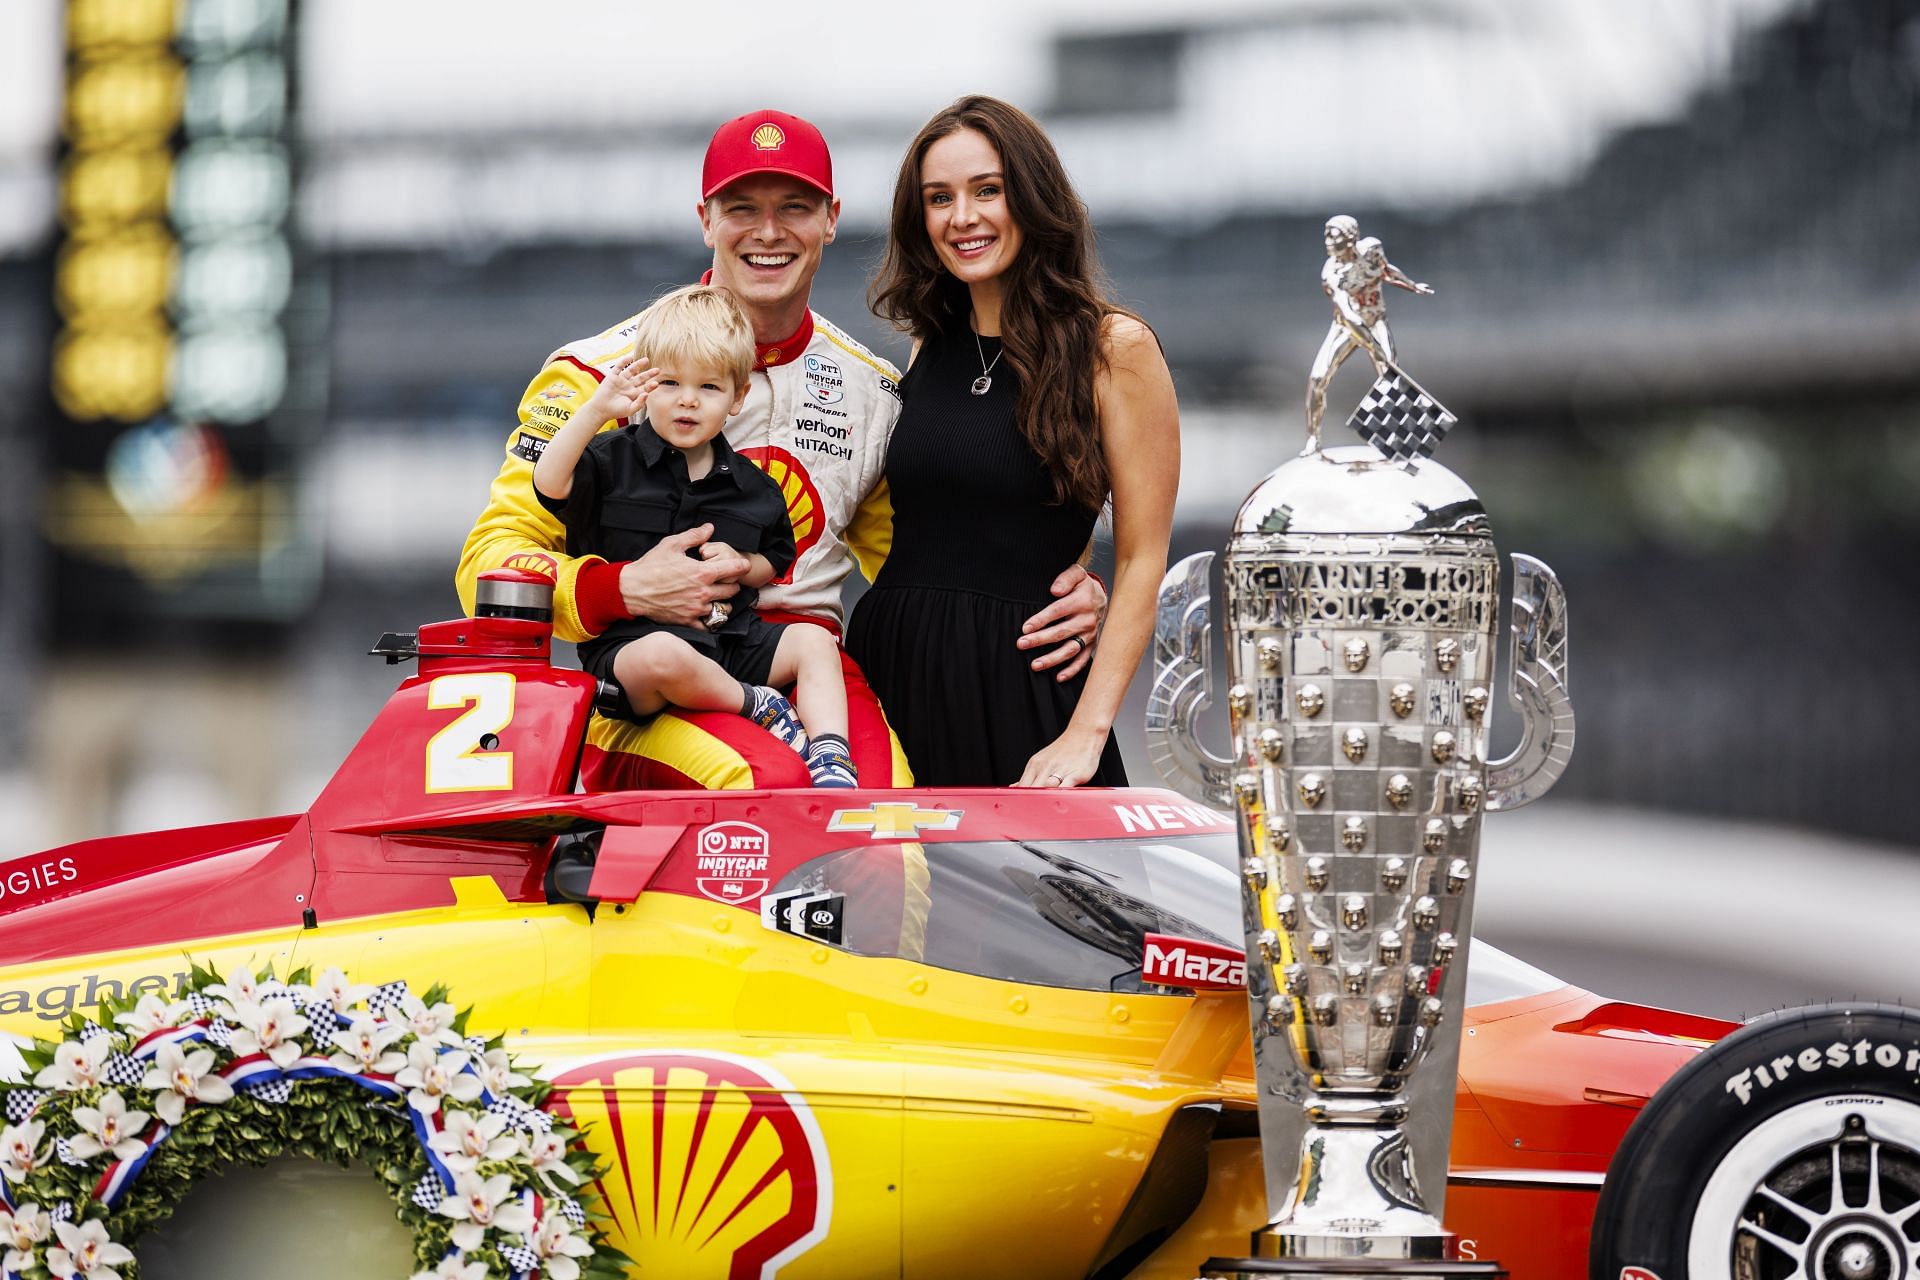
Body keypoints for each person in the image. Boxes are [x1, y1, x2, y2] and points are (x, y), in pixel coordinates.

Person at [456, 109, 1109, 792]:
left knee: (888, 848)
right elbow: (489, 564)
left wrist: (1064, 589)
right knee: (772, 791)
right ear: (705, 219)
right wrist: (617, 586)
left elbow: (934, 555)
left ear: (830, 218)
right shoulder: (598, 377)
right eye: (742, 208)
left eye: (793, 208)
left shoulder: (874, 392)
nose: (769, 233)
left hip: (807, 666)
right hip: (657, 683)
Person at [852, 95, 1180, 789]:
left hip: (1024, 693)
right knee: (900, 900)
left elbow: (1145, 555)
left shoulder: (1115, 349)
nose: (962, 217)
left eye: (987, 190)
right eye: (939, 198)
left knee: (1063, 899)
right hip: (890, 684)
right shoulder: (926, 347)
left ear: (1032, 198)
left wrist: (1086, 736)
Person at [530, 285, 856, 787]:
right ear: (643, 385)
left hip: (731, 641)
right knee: (664, 655)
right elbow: (549, 484)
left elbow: (776, 556)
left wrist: (743, 566)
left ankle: (833, 756)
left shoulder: (754, 486)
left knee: (815, 642)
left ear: (736, 397)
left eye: (708, 387)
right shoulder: (607, 458)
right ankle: (756, 706)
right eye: (669, 383)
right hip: (633, 655)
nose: (687, 400)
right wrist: (595, 410)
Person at [1301, 216, 1434, 454]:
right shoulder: (1331, 274)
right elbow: (1349, 316)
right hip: (1346, 326)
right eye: (1326, 235)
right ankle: (1313, 438)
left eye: (1334, 234)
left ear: (1351, 237)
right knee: (1318, 378)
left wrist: (1412, 285)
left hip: (1375, 319)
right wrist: (1373, 346)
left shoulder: (1371, 250)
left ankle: (1400, 438)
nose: (1328, 241)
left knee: (1390, 373)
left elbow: (1386, 271)